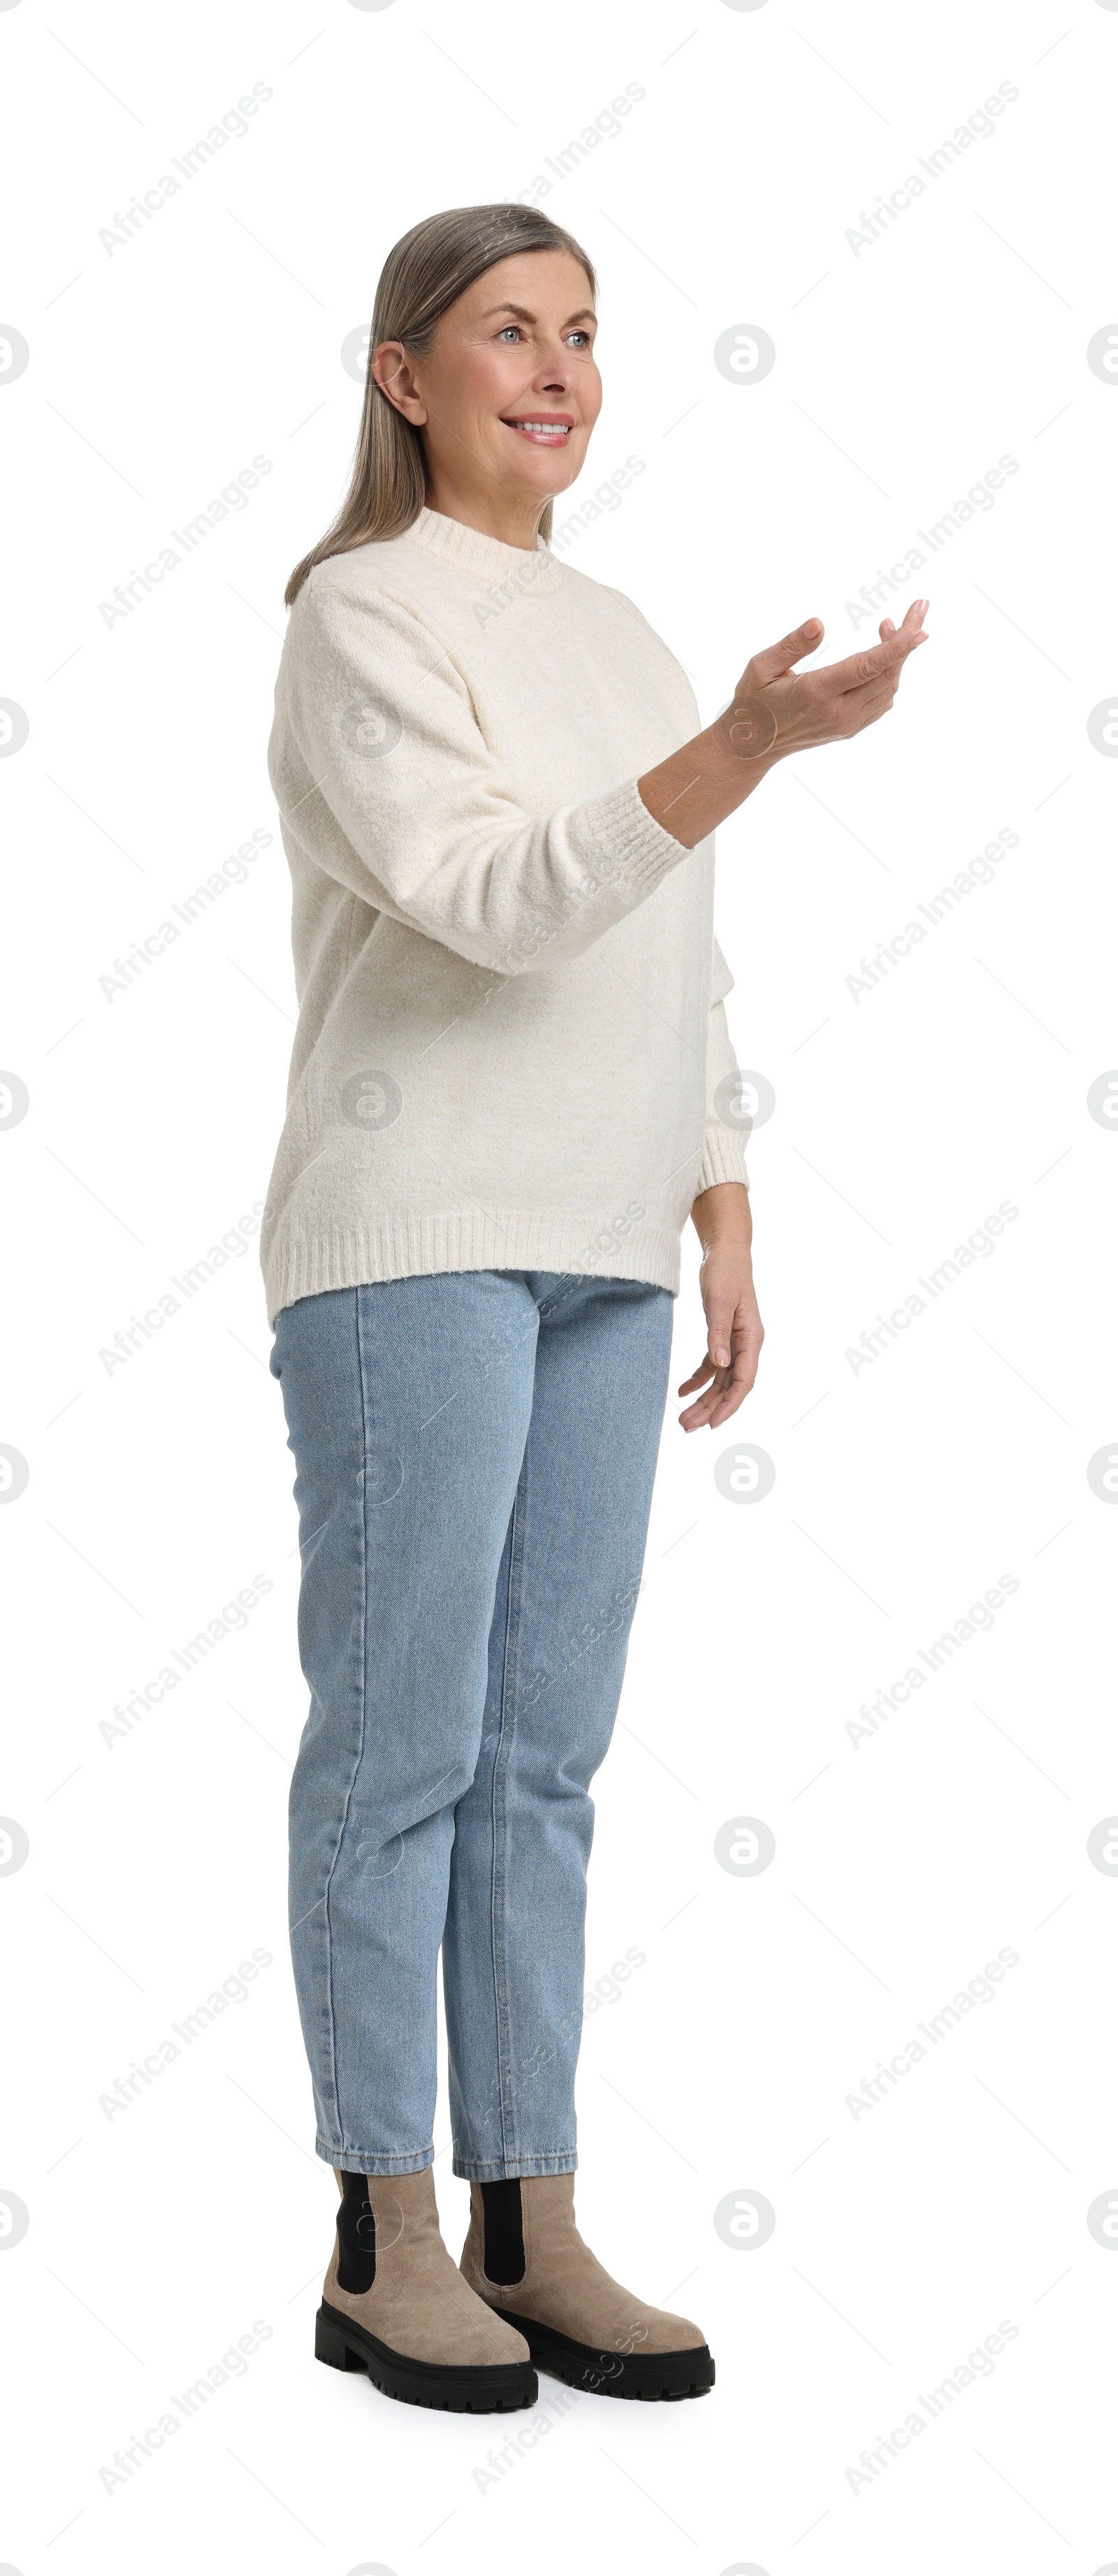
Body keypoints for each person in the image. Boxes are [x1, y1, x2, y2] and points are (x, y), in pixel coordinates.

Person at [261, 201, 928, 2415]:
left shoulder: (627, 632)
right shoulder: (358, 620)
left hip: (606, 1246)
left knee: (545, 1764)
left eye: (582, 333)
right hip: (415, 1233)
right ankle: (386, 2232)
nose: (554, 368)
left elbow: (670, 949)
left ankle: (535, 2211)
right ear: (403, 376)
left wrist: (722, 1193)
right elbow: (494, 900)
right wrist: (742, 747)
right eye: (505, 332)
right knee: (407, 1751)